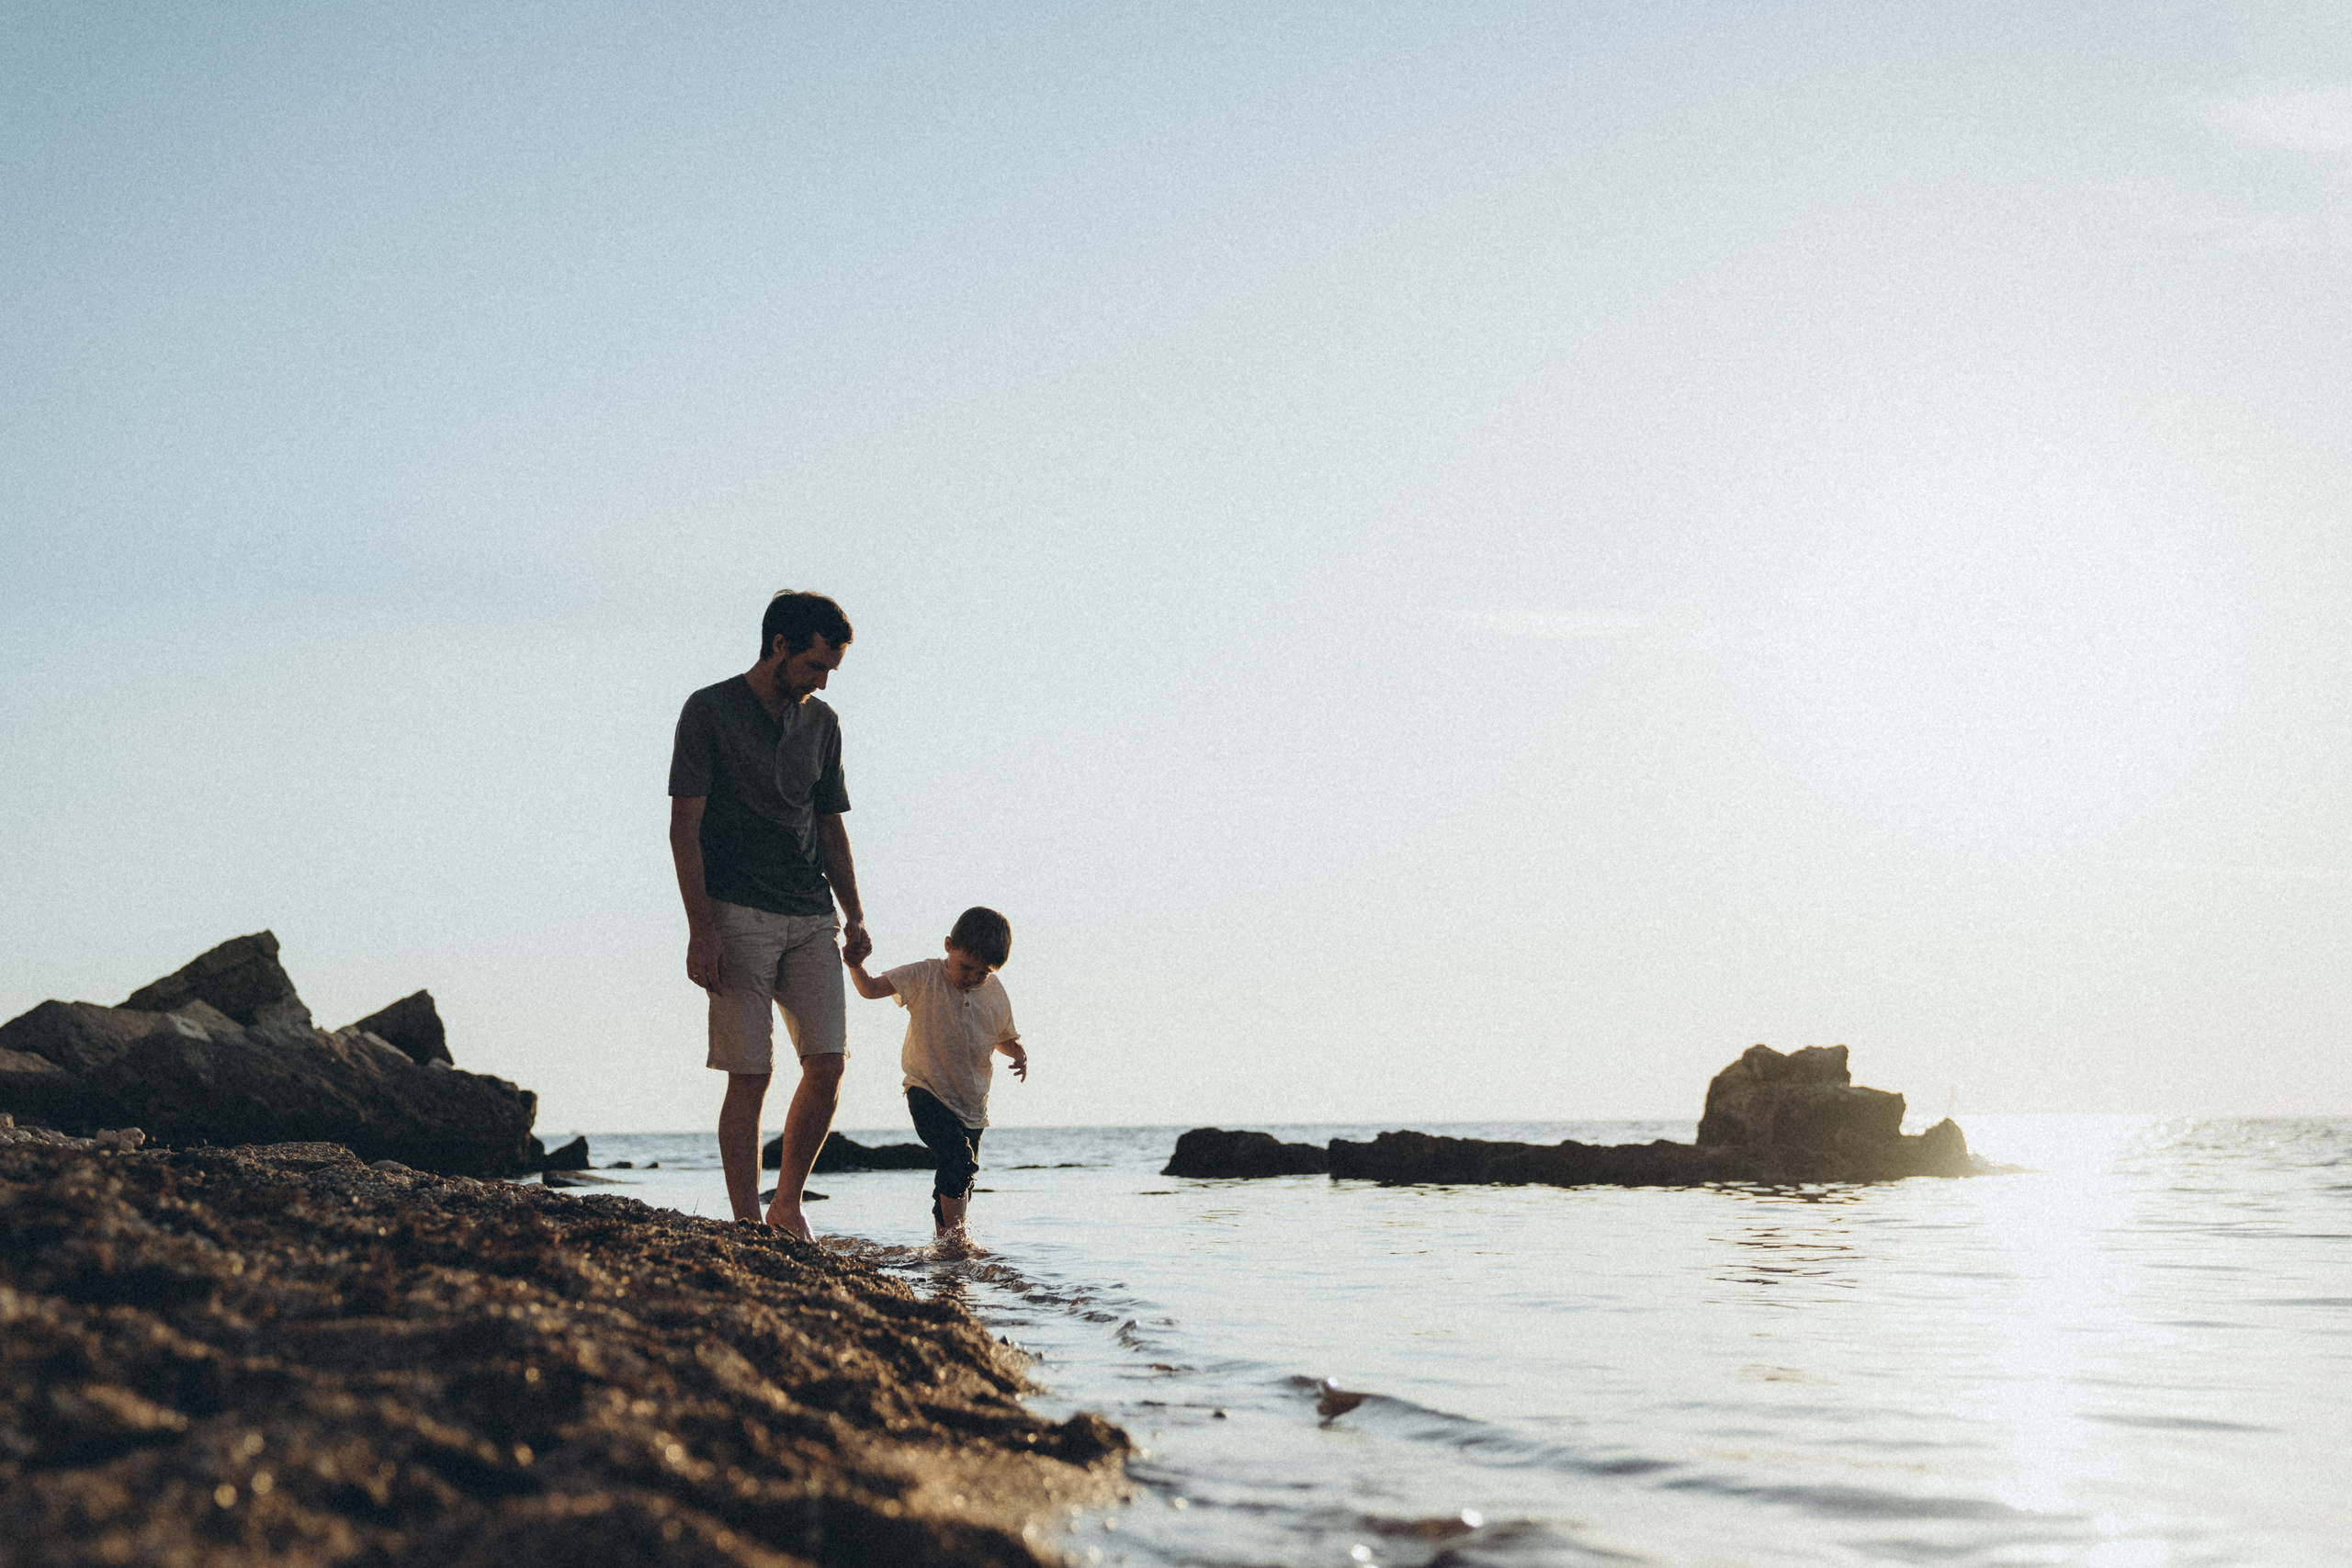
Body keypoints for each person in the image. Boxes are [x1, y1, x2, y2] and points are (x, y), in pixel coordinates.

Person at [668, 591, 871, 1240]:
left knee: (829, 1061)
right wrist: (701, 927)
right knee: (750, 1072)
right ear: (778, 647)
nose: (822, 680)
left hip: (811, 914)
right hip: (735, 913)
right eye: (815, 664)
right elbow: (684, 827)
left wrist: (856, 912)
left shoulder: (823, 723)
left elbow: (830, 825)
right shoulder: (708, 710)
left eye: (831, 669)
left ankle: (787, 1202)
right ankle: (748, 1222)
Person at [845, 906, 1027, 1253]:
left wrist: (1017, 1052)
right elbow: (869, 989)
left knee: (960, 1176)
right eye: (966, 967)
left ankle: (945, 1247)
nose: (972, 978)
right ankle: (958, 1241)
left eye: (983, 973)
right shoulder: (924, 975)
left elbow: (1001, 1035)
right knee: (958, 1158)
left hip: (972, 1104)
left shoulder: (995, 991)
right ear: (948, 945)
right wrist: (855, 965)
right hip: (926, 1090)